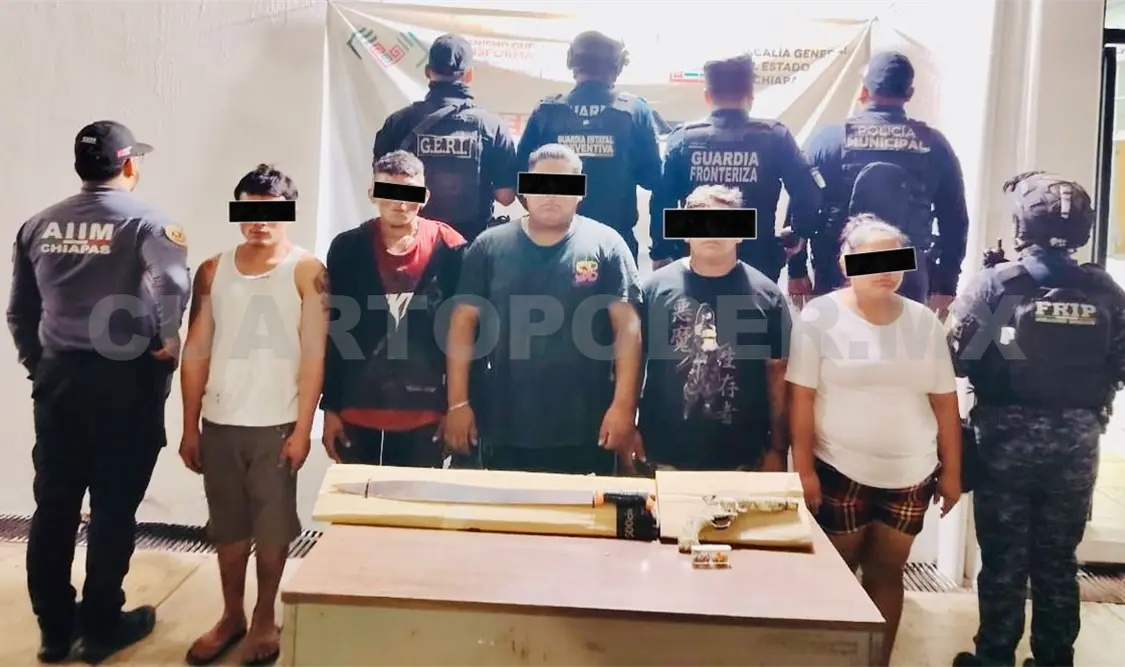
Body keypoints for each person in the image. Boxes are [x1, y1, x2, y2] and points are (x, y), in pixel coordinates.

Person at [7, 120, 190, 663]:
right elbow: (171, 283)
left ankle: (54, 630)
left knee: (55, 504)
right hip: (124, 381)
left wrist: (39, 364)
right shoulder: (148, 223)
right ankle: (102, 624)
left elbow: (19, 311)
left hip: (59, 381)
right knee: (113, 506)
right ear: (129, 164)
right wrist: (169, 337)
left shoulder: (39, 224)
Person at [948, 173, 1125, 667]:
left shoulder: (999, 284)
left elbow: (959, 357)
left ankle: (994, 657)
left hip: (1004, 441)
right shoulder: (1105, 290)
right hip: (1077, 443)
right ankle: (1054, 659)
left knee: (1003, 558)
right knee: (1058, 561)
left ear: (1022, 224)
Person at [786, 214, 962, 667]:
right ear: (846, 264)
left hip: (911, 474)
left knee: (887, 572)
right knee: (836, 574)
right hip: (838, 469)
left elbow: (945, 404)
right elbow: (800, 399)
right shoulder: (819, 317)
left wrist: (952, 474)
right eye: (873, 260)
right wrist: (802, 469)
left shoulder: (924, 322)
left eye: (895, 260)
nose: (886, 270)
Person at [178, 165, 326, 665]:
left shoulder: (307, 270)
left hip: (276, 423)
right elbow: (196, 348)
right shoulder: (213, 269)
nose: (259, 221)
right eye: (249, 210)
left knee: (273, 528)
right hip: (220, 421)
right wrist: (189, 425)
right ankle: (231, 615)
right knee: (228, 526)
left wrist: (304, 429)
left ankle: (265, 617)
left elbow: (315, 354)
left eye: (271, 211)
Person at [444, 143, 643, 474]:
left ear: (581, 191)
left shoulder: (607, 244)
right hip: (503, 422)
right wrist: (458, 404)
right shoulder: (489, 246)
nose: (552, 194)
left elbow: (628, 330)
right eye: (541, 183)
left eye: (564, 184)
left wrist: (624, 407)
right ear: (524, 190)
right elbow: (462, 324)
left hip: (586, 425)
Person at [320, 151, 467, 468]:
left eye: (409, 194)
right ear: (372, 194)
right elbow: (335, 330)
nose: (400, 204)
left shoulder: (451, 247)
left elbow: (463, 335)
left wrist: (456, 406)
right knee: (355, 498)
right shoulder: (347, 248)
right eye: (389, 192)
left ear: (424, 196)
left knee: (414, 499)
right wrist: (330, 406)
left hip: (426, 409)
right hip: (357, 406)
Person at [791, 51, 969, 312]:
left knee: (839, 337)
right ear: (909, 94)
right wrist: (946, 284)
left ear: (864, 91)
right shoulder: (935, 144)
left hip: (840, 269)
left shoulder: (829, 140)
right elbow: (954, 220)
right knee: (902, 338)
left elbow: (801, 207)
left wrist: (796, 270)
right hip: (906, 273)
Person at [637, 185, 792, 472]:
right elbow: (633, 363)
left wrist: (778, 448)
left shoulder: (768, 296)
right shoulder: (653, 290)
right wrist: (627, 424)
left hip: (744, 457)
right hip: (664, 453)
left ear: (740, 232)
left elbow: (778, 376)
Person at [649, 54, 823, 282]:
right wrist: (797, 234)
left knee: (696, 306)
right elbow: (808, 191)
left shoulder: (683, 138)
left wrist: (661, 251)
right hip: (758, 260)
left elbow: (662, 200)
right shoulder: (775, 136)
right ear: (751, 96)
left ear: (707, 96)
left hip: (698, 258)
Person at [515, 31, 662, 260]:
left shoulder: (547, 110)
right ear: (618, 66)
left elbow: (519, 178)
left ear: (572, 61)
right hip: (615, 241)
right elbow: (652, 179)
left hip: (555, 240)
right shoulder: (635, 110)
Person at [372, 33, 518, 243]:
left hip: (412, 244)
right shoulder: (492, 126)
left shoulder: (399, 122)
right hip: (470, 245)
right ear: (469, 75)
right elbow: (506, 197)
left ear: (428, 72)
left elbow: (381, 189)